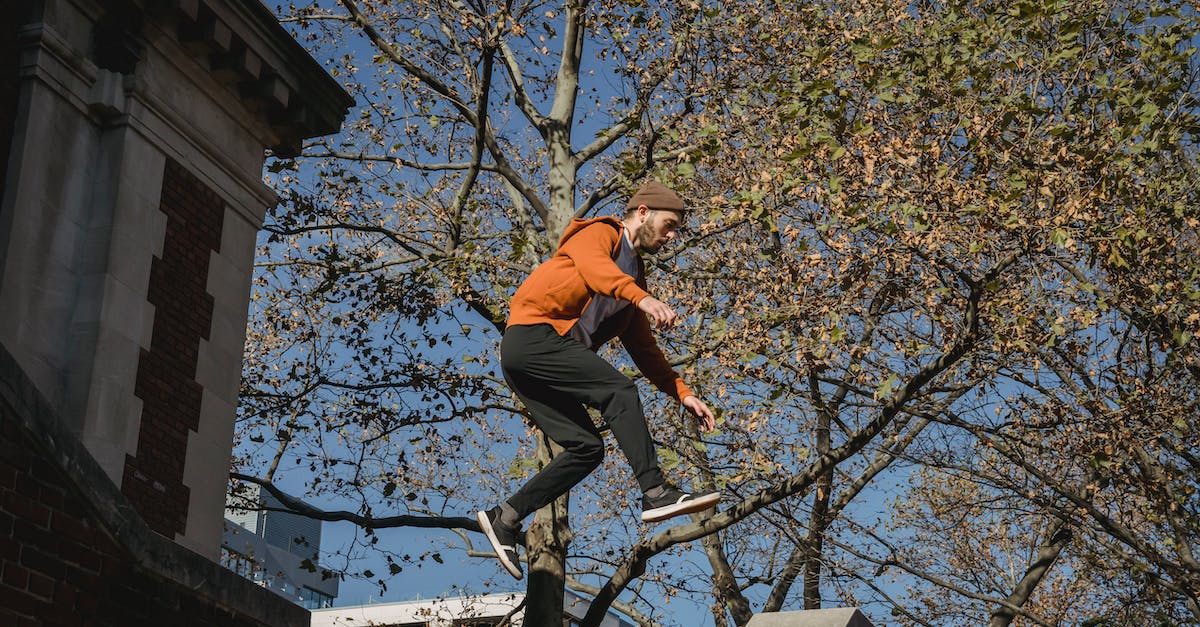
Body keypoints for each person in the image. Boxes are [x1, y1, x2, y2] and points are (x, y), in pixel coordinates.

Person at [477, 180, 720, 580]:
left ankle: (505, 517)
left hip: (542, 363)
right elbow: (595, 271)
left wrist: (683, 393)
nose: (672, 237)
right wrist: (641, 298)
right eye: (669, 225)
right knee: (618, 390)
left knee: (587, 448)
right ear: (643, 213)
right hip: (531, 339)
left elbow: (644, 349)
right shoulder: (600, 234)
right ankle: (656, 491)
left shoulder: (634, 278)